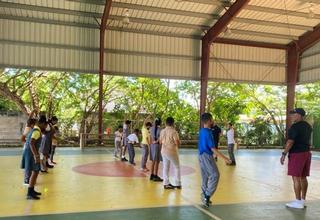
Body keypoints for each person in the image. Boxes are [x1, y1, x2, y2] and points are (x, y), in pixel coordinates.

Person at [280, 108, 312, 209]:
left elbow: (290, 142)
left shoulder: (294, 127)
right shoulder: (308, 126)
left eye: (294, 114)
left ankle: (298, 202)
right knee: (303, 177)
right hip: (306, 153)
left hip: (297, 154)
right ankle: (302, 200)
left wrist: (284, 154)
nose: (292, 116)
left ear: (299, 115)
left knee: (296, 177)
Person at [199, 113, 231, 207]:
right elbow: (213, 149)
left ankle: (204, 194)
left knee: (205, 176)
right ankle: (207, 195)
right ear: (209, 121)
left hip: (201, 155)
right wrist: (225, 159)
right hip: (206, 156)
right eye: (212, 119)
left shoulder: (202, 131)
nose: (213, 121)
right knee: (215, 175)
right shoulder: (208, 133)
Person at [21, 115, 47, 200]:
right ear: (42, 123)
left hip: (30, 152)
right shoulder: (37, 131)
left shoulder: (35, 129)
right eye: (45, 125)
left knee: (35, 171)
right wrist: (36, 155)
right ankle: (29, 193)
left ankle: (31, 190)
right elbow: (31, 143)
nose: (45, 127)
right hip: (31, 153)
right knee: (35, 171)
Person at [159, 117, 181, 189]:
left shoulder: (162, 131)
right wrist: (178, 145)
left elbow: (160, 141)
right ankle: (178, 183)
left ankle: (166, 183)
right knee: (177, 167)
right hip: (171, 151)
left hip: (163, 151)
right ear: (173, 123)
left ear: (166, 123)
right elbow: (177, 142)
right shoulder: (174, 131)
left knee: (165, 167)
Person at [21, 118, 37, 185]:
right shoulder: (28, 129)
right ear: (32, 124)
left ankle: (28, 178)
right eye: (35, 124)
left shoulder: (33, 129)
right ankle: (26, 180)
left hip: (30, 148)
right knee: (28, 164)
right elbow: (22, 138)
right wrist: (27, 143)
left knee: (30, 164)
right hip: (27, 148)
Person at [150, 118, 163, 182]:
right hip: (157, 146)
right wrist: (156, 141)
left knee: (153, 161)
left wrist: (153, 142)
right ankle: (155, 175)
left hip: (152, 145)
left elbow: (150, 137)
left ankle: (151, 175)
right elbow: (160, 138)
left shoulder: (151, 128)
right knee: (157, 161)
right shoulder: (160, 130)